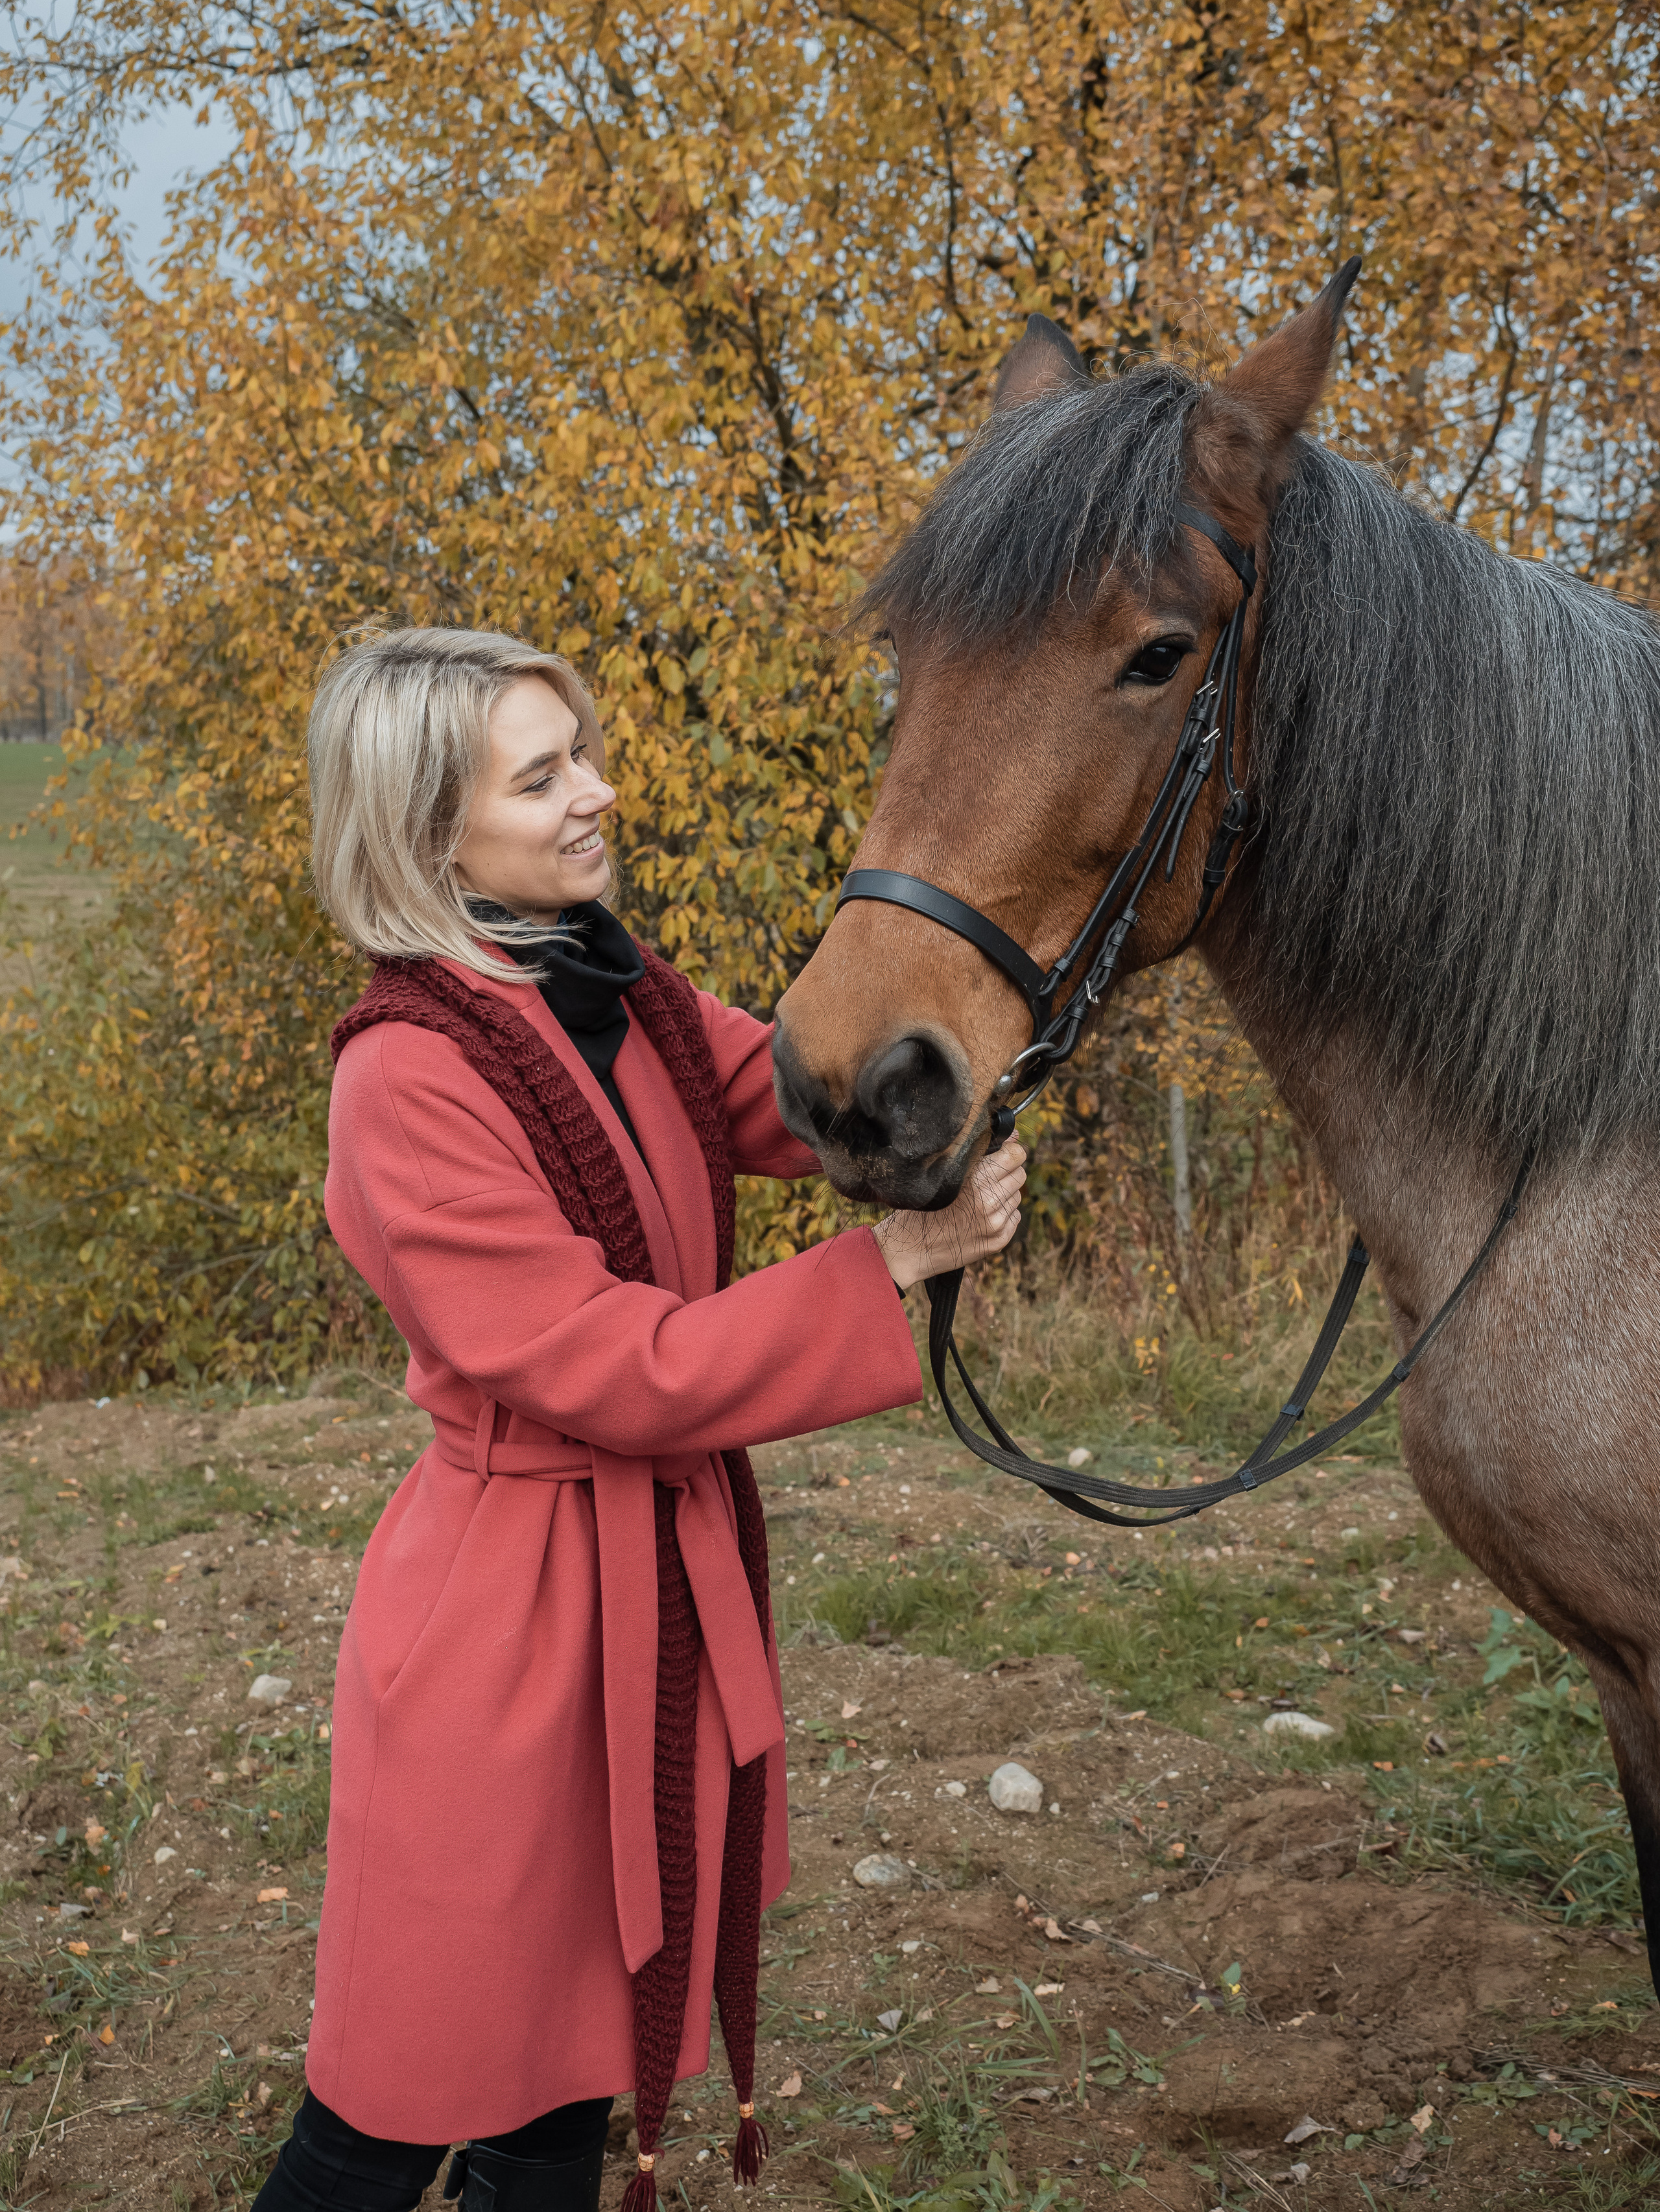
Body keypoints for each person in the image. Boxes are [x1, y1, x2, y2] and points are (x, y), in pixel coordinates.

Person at [255, 628, 1026, 2212]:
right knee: (391, 2108)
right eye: (541, 776)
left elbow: (784, 1093)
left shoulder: (611, 987)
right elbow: (618, 1365)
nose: (597, 791)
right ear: (424, 831)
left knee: (565, 2073)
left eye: (580, 750)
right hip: (504, 1630)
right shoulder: (404, 1075)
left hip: (647, 1597)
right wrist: (886, 1267)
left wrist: (953, 1039)